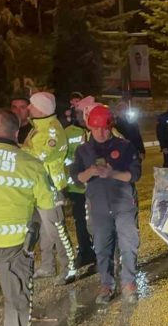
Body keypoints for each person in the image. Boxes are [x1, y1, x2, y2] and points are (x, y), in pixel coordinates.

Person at [0, 109, 57, 326]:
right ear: (17, 131)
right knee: (16, 296)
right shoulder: (31, 164)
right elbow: (49, 212)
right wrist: (51, 244)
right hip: (14, 245)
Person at [71, 104, 141, 305]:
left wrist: (112, 174)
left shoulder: (125, 146)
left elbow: (134, 175)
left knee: (129, 244)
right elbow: (77, 178)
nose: (101, 132)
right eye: (96, 128)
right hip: (99, 207)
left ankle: (129, 283)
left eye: (105, 127)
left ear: (110, 126)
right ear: (89, 127)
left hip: (124, 204)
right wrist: (90, 172)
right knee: (102, 247)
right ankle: (106, 284)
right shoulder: (83, 150)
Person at [23, 92, 77, 282]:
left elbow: (37, 157)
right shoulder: (39, 127)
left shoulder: (51, 130)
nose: (28, 108)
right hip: (38, 188)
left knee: (57, 232)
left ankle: (69, 268)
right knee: (45, 232)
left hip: (50, 188)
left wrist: (18, 156)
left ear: (41, 108)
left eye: (31, 105)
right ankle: (48, 266)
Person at [63, 108, 95, 268]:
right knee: (80, 220)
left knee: (97, 220)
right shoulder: (67, 132)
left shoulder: (96, 131)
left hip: (95, 186)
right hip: (77, 186)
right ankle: (85, 252)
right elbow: (63, 157)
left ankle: (101, 251)